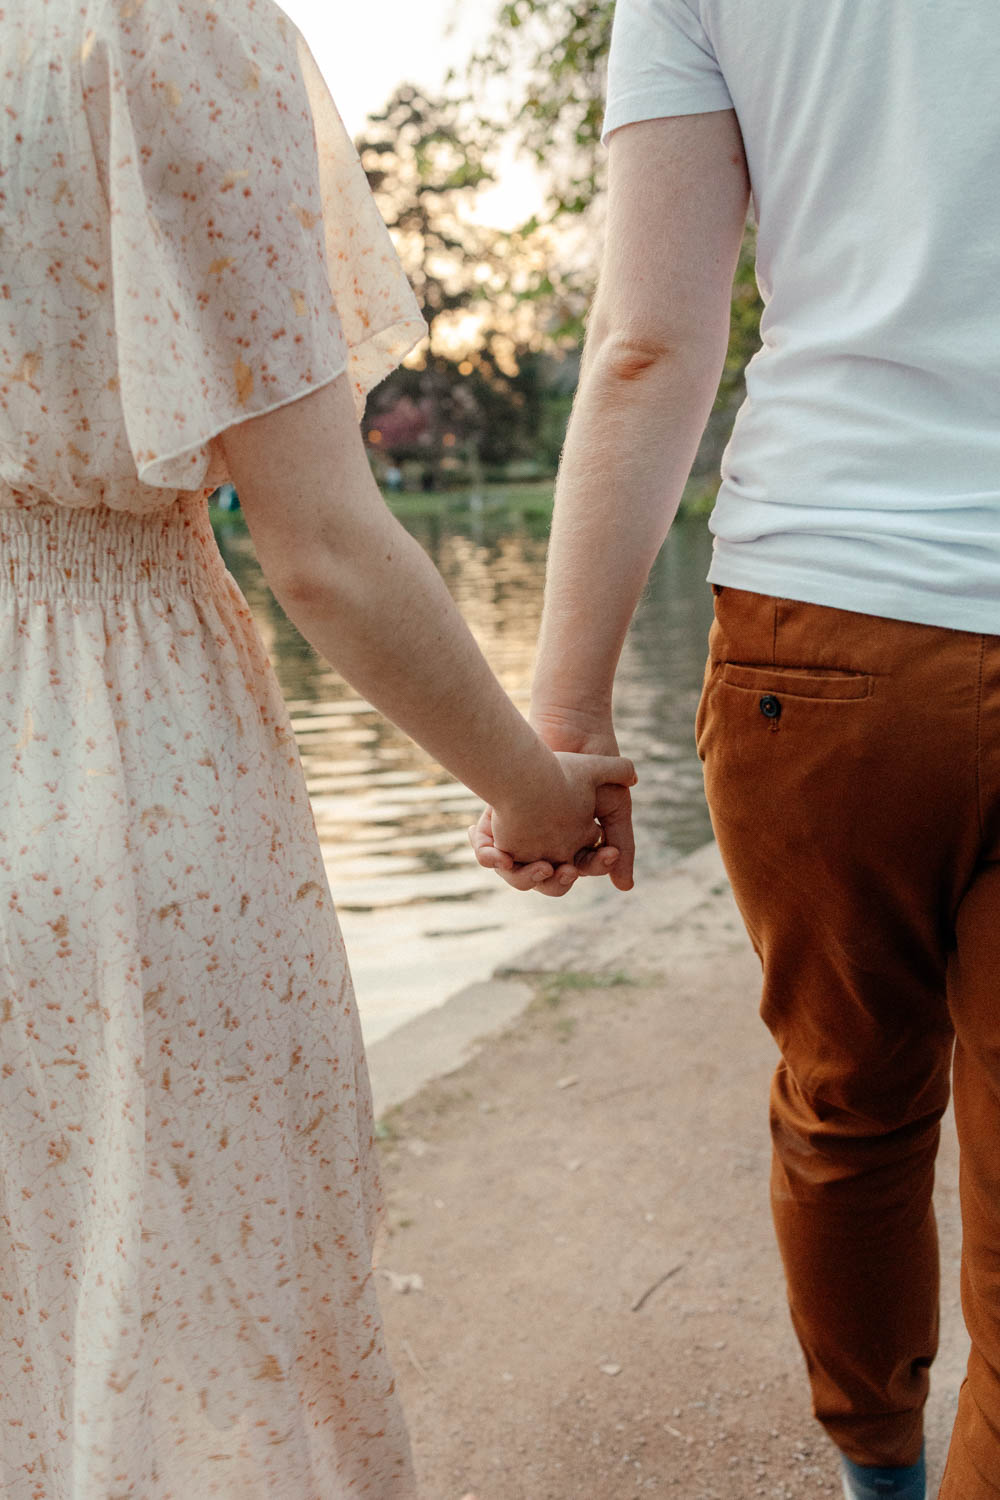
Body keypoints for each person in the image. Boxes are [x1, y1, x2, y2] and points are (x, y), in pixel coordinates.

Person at [0, 2, 636, 1495]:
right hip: (118, 758)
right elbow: (323, 547)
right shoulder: (164, 25)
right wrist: (535, 792)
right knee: (213, 1337)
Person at [473, 2, 1000, 1496]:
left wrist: (559, 734)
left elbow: (649, 341)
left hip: (827, 630)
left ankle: (879, 1476)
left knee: (848, 1105)